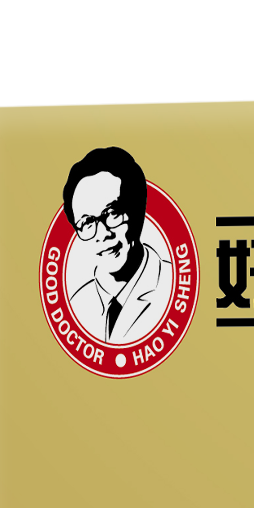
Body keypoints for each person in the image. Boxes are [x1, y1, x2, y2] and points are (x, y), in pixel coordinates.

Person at [59, 145, 177, 354]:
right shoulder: (77, 305)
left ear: (137, 209)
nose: (103, 233)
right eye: (87, 223)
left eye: (112, 213)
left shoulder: (172, 287)